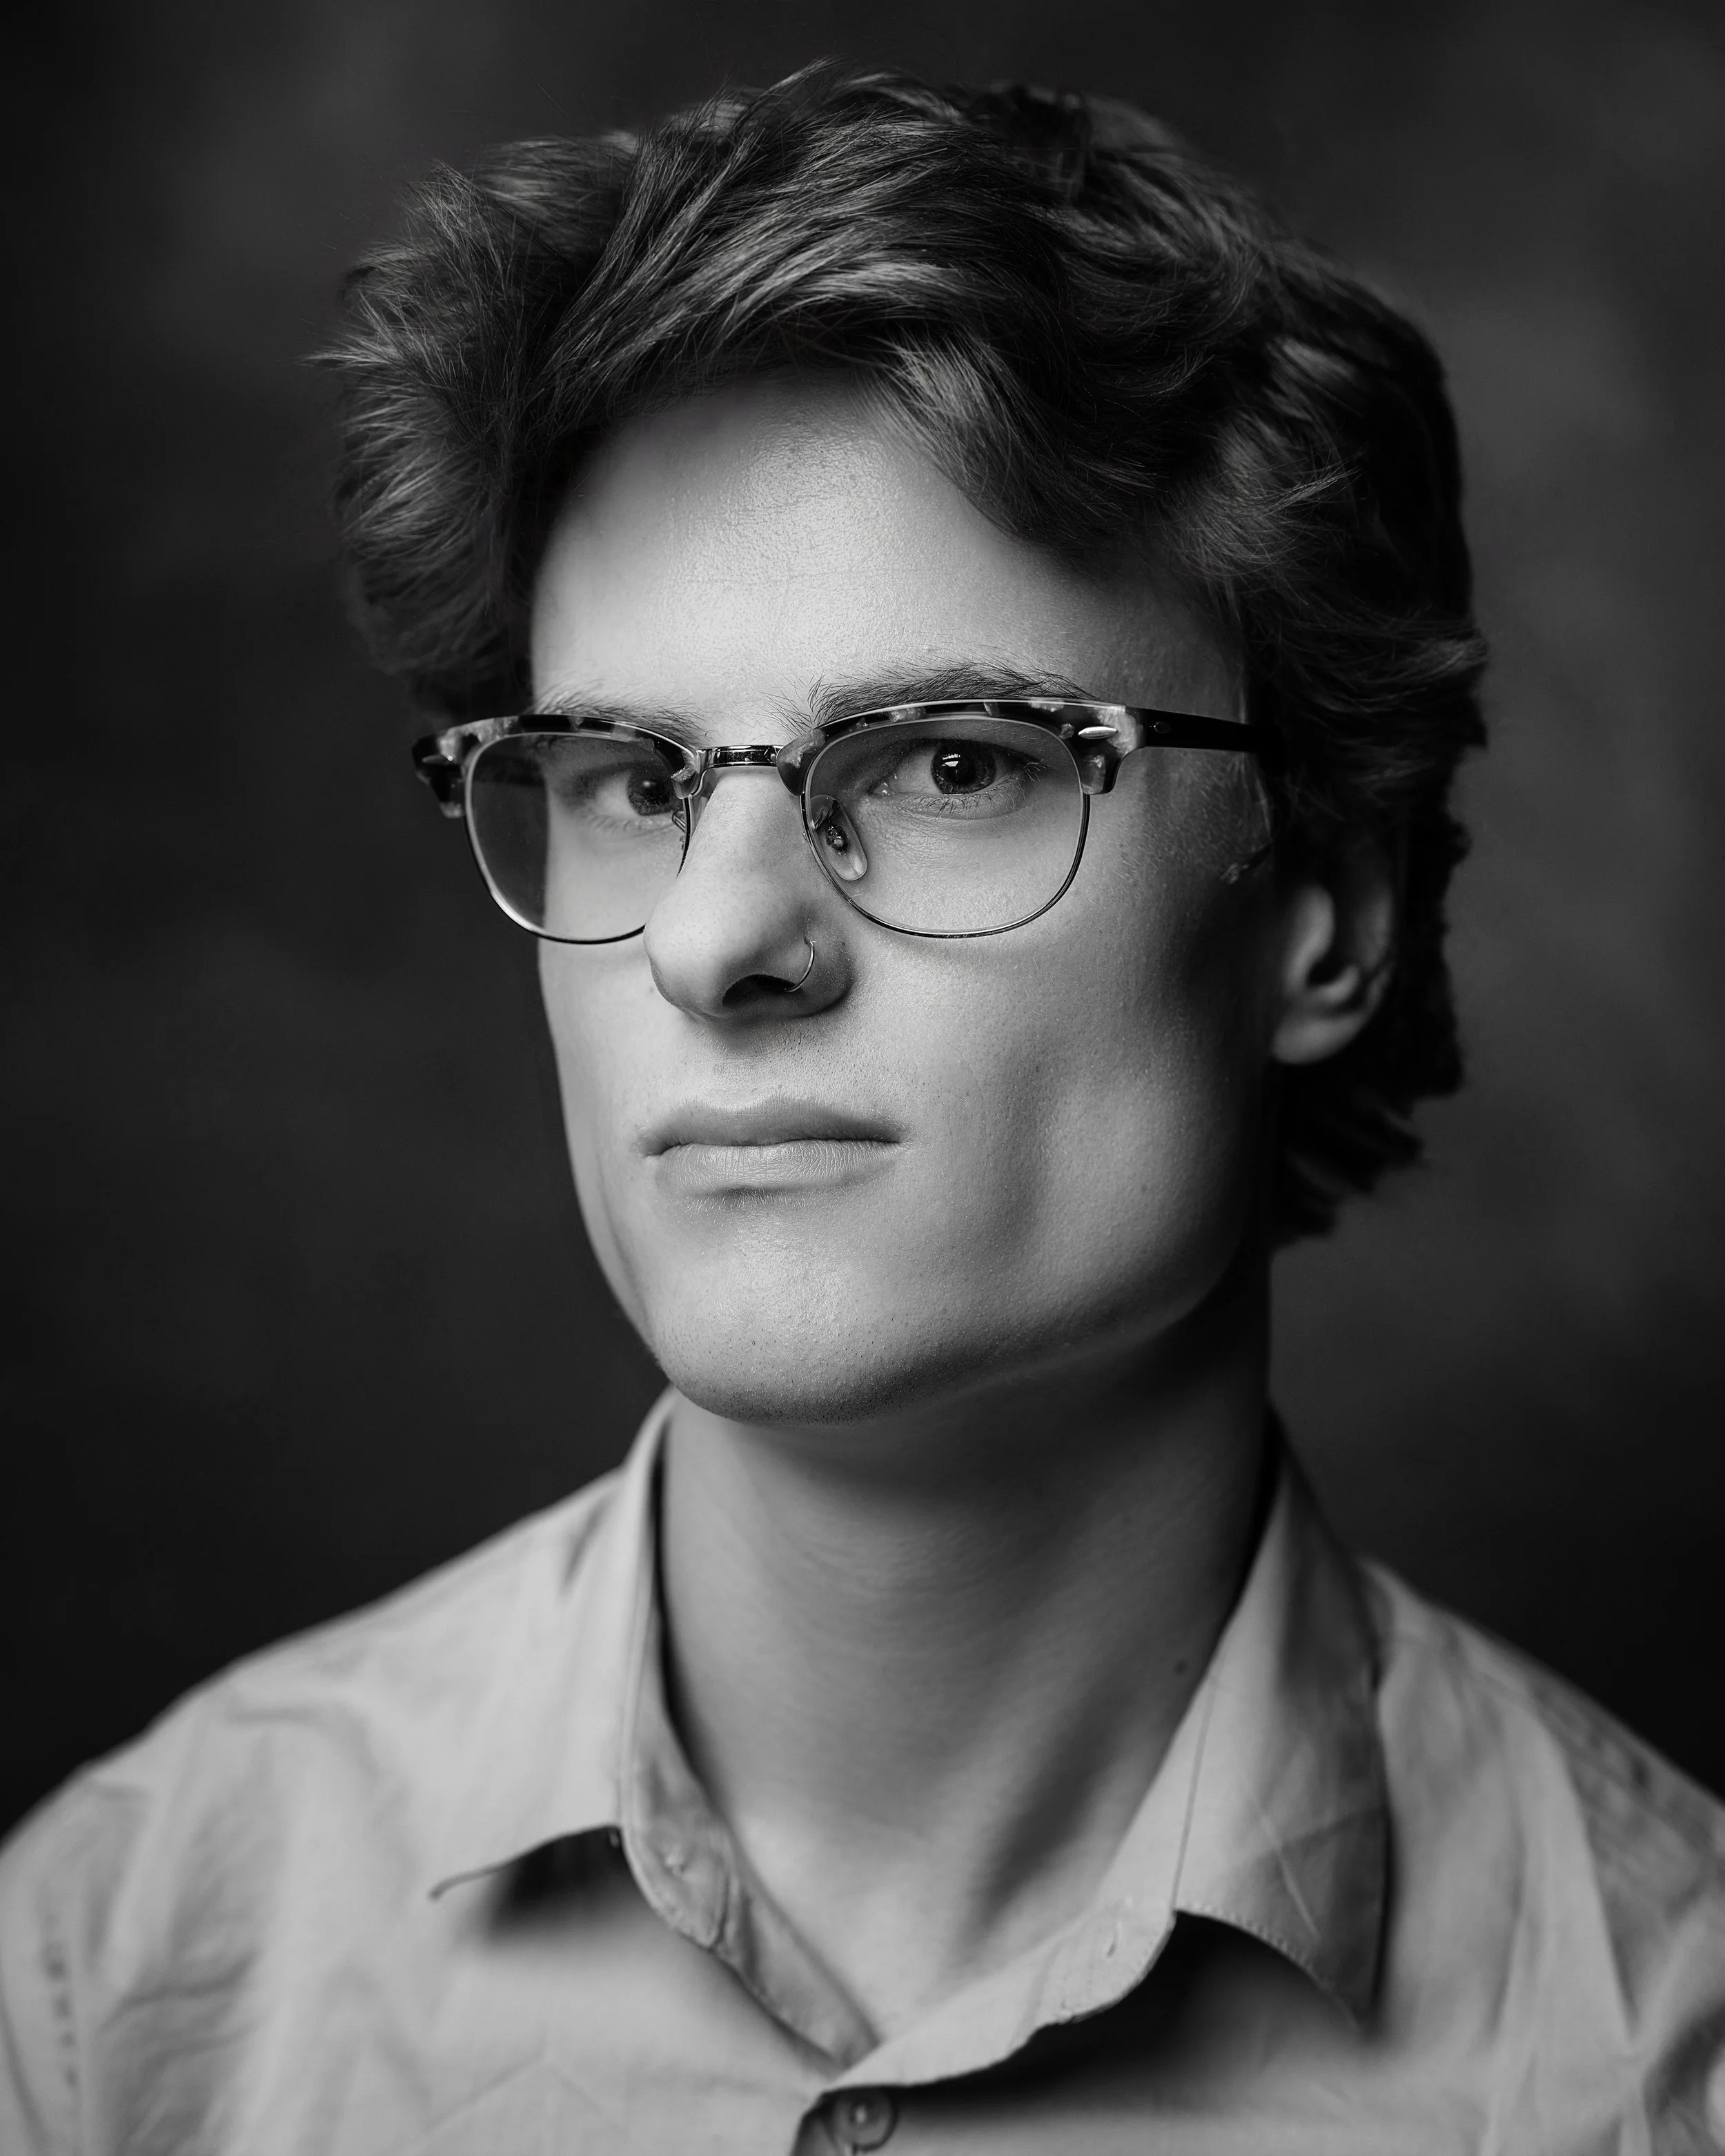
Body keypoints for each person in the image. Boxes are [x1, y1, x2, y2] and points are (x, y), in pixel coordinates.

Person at [3, 62, 1722, 2154]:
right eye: (634, 780)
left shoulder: (1663, 2063)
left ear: (1320, 919)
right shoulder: (112, 1983)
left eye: (951, 762)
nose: (716, 943)